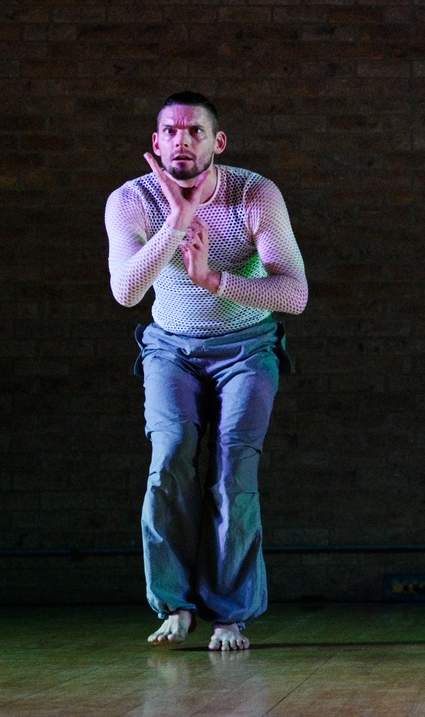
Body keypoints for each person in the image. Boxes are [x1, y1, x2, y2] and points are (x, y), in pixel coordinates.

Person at [105, 92, 308, 652]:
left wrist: (216, 281)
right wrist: (175, 225)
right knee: (170, 456)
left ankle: (229, 613)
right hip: (171, 349)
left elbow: (294, 294)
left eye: (195, 131)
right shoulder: (131, 200)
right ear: (156, 143)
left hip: (246, 346)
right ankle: (175, 605)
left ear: (217, 142)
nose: (182, 141)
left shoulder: (253, 194)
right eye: (171, 131)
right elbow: (126, 292)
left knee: (232, 468)